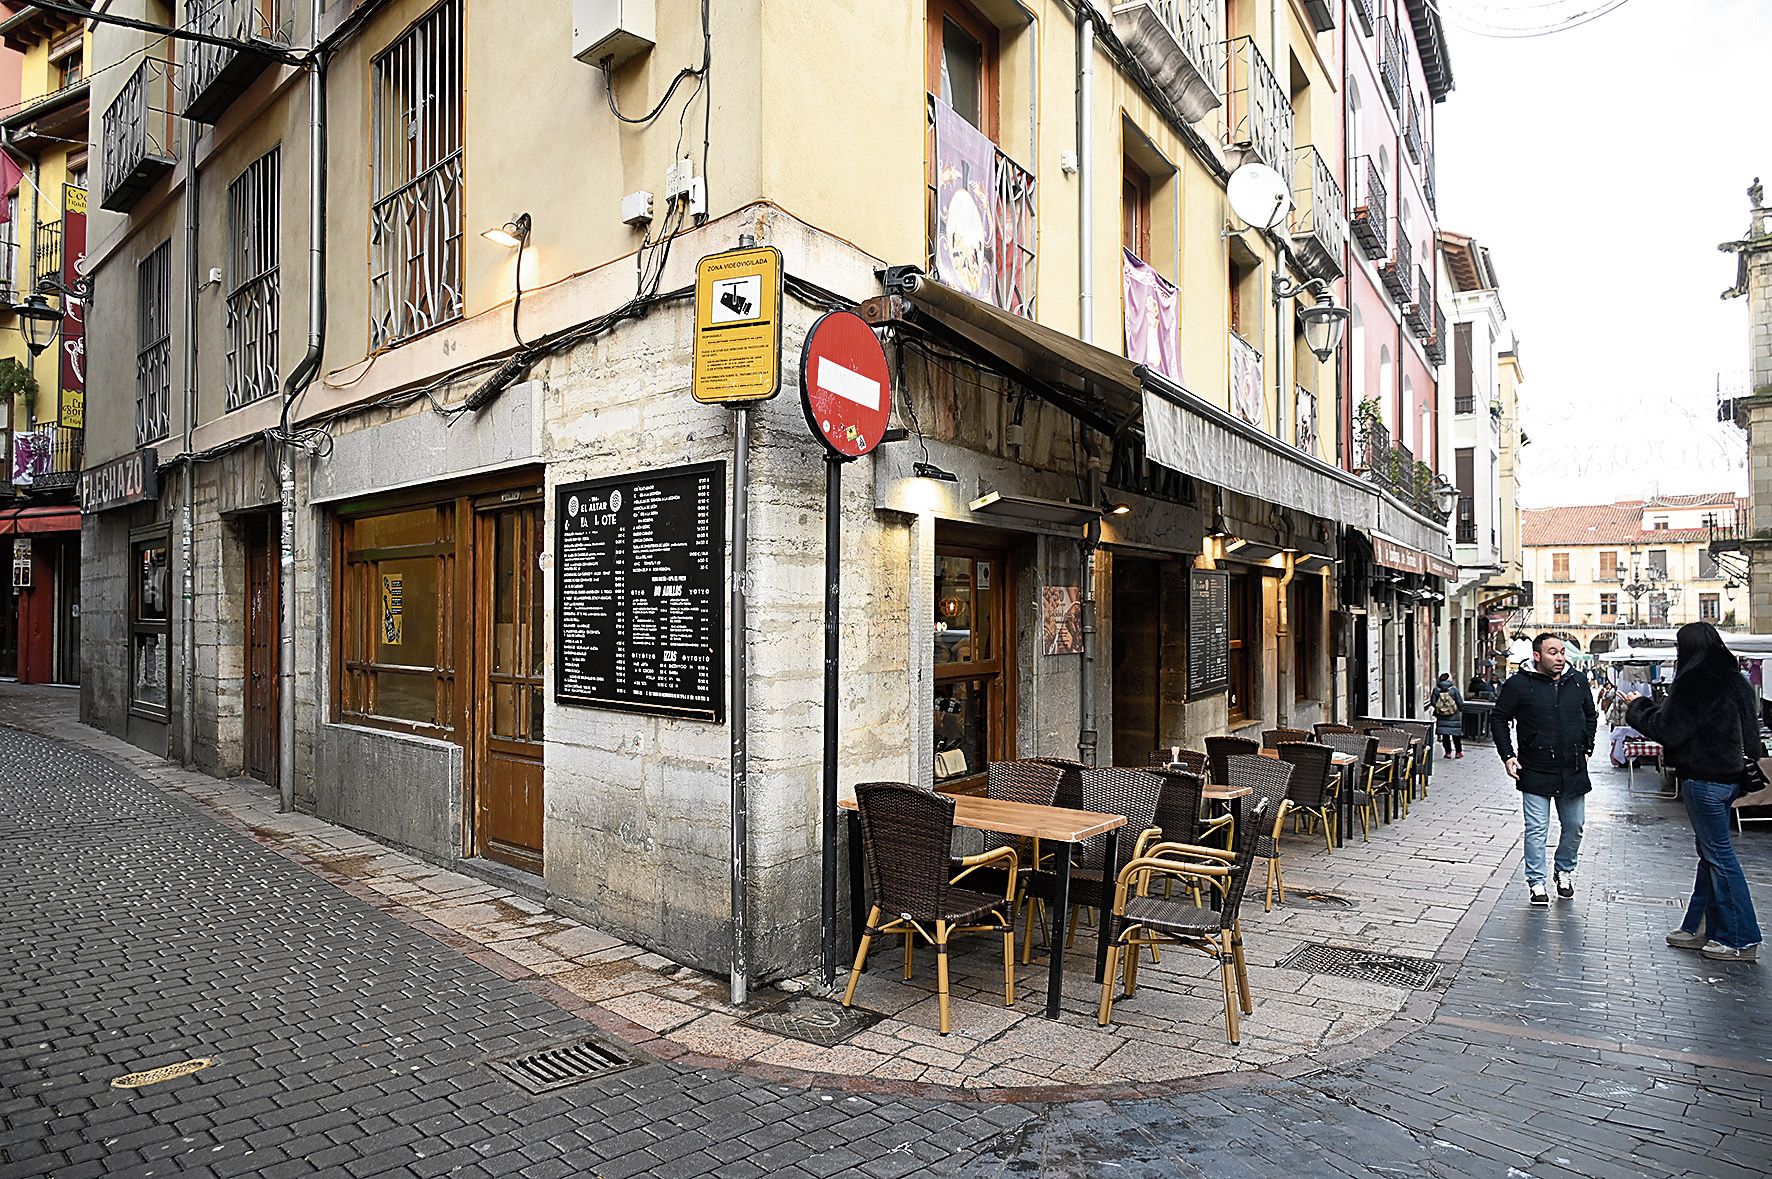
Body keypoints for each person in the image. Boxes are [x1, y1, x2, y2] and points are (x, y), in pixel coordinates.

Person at [1625, 622, 1764, 962]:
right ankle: (1699, 927)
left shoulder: (1693, 680)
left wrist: (1638, 707)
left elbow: (1670, 730)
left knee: (1720, 857)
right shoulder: (1737, 680)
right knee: (1711, 854)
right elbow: (1751, 735)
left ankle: (1740, 939)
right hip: (1731, 780)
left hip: (1704, 778)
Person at [1491, 633, 1598, 906]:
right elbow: (1499, 718)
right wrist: (1507, 756)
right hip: (1535, 767)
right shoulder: (1519, 684)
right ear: (1537, 656)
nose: (1560, 657)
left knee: (1574, 826)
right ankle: (1536, 882)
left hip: (1572, 767)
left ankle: (1564, 870)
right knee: (1537, 828)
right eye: (1553, 652)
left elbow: (1590, 714)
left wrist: (1587, 747)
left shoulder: (1578, 681)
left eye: (1562, 652)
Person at [1429, 672, 1465, 758]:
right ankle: (1458, 752)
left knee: (1445, 735)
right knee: (1456, 735)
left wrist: (1441, 709)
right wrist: (1457, 709)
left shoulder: (1436, 690)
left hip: (1441, 716)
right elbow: (1460, 702)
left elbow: (1433, 702)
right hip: (1454, 715)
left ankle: (1448, 752)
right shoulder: (1454, 689)